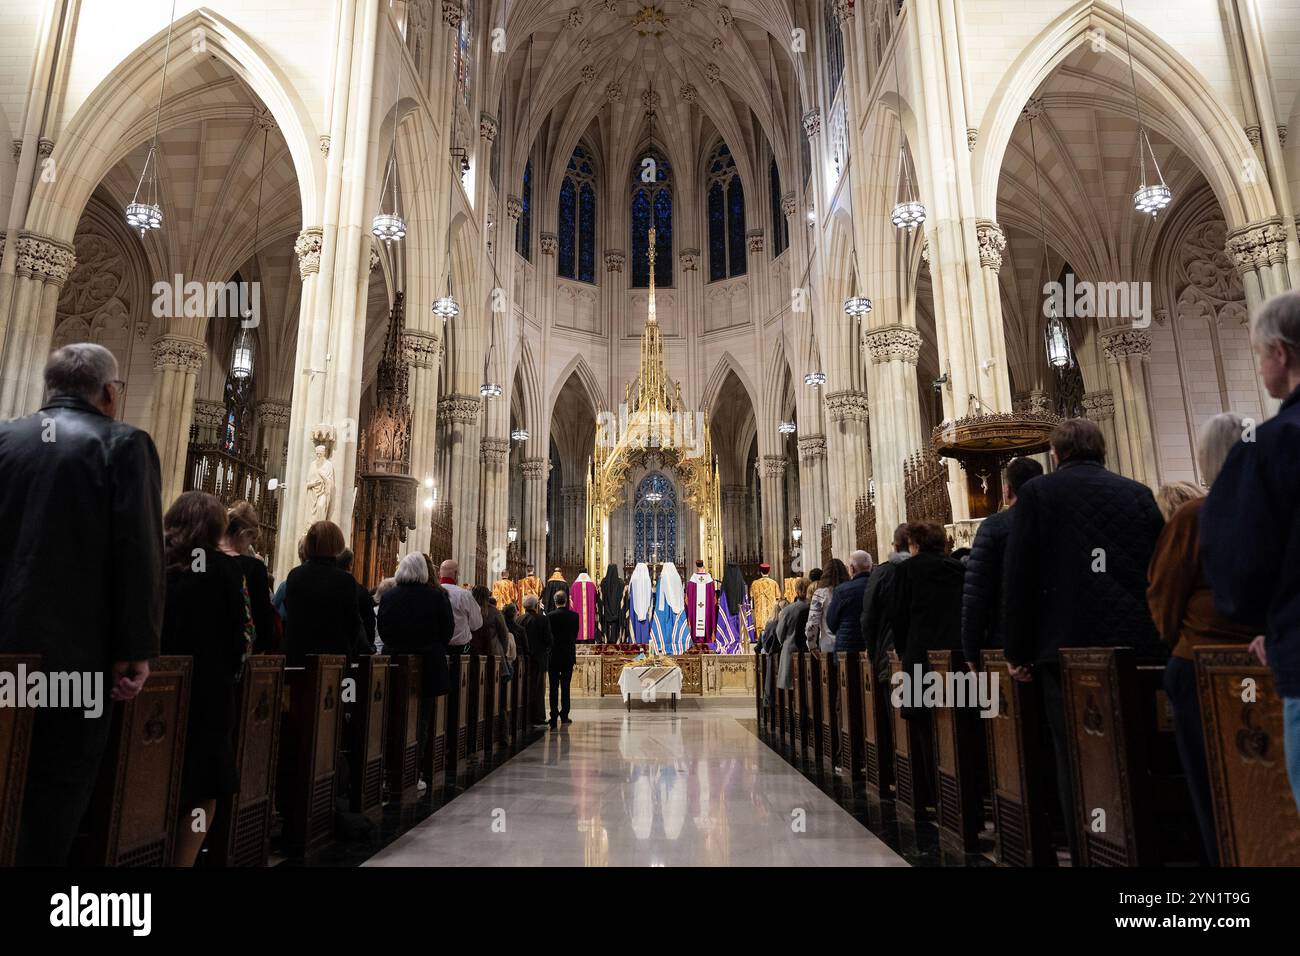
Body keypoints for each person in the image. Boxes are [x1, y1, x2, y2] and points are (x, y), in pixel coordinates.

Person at [0, 343, 161, 865]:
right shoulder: (125, 444)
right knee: (55, 796)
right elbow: (137, 551)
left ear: (50, 388)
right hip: (75, 660)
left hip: (3, 651)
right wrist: (136, 648)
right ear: (111, 394)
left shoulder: (5, 439)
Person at [1002, 417, 1165, 864]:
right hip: (1134, 645)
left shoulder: (1037, 494)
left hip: (1065, 647)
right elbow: (1159, 573)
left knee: (1073, 750)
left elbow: (1019, 577)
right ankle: (1142, 845)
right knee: (1135, 747)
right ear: (1102, 449)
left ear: (1057, 455)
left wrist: (1017, 651)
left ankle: (1087, 845)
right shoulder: (1138, 493)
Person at [1202, 289, 1300, 814]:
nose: (1261, 366)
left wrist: (1266, 622)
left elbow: (1236, 568)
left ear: (1280, 354)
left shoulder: (1271, 445)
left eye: (1260, 353)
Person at [1147, 413, 1254, 864]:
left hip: (1203, 661)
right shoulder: (1277, 504)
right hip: (1272, 659)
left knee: (1214, 784)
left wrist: (1178, 641)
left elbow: (1164, 593)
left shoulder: (1194, 516)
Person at [159, 491, 249, 866]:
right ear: (217, 528)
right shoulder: (227, 571)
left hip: (151, 689)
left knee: (148, 772)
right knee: (204, 787)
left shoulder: (152, 563)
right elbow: (242, 637)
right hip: (209, 692)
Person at [891, 520, 966, 811]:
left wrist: (903, 649)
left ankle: (929, 794)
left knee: (922, 726)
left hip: (918, 656)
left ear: (915, 544)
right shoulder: (957, 568)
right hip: (955, 655)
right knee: (958, 723)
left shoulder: (907, 570)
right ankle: (960, 798)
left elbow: (898, 615)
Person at [960, 457, 1044, 668]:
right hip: (1055, 638)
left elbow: (976, 594)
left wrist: (970, 650)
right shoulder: (1056, 519)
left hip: (1007, 640)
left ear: (1007, 490)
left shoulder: (994, 527)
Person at [378, 553, 455, 772]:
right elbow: (447, 630)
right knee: (421, 717)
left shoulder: (389, 595)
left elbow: (383, 630)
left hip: (394, 662)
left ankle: (390, 768)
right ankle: (414, 768)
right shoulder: (436, 596)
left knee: (393, 714)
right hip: (428, 664)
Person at [283, 521, 368, 663]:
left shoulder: (295, 575)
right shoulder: (345, 581)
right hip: (333, 658)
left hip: (298, 654)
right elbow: (353, 623)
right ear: (337, 544)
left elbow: (290, 612)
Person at [220, 500, 277, 653]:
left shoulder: (204, 559)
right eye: (252, 539)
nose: (251, 545)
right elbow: (263, 620)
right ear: (244, 534)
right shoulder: (253, 568)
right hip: (236, 653)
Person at [861, 524, 910, 684]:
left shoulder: (882, 573)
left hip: (891, 651)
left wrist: (872, 649)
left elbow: (869, 616)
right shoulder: (933, 569)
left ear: (895, 546)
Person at [826, 549, 873, 654]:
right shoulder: (879, 586)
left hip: (848, 648)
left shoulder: (842, 590)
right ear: (871, 566)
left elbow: (831, 622)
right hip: (873, 646)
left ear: (852, 568)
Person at [546, 590, 580, 728]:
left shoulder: (549, 616)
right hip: (568, 654)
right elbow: (575, 634)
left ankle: (553, 715)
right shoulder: (574, 616)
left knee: (553, 687)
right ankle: (564, 715)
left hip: (553, 655)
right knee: (566, 687)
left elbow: (548, 636)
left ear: (555, 601)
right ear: (566, 601)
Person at [438, 559, 482, 657]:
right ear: (456, 573)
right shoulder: (464, 594)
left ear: (439, 573)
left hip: (437, 650)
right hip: (460, 650)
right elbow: (476, 624)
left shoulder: (431, 592)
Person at [775, 578, 812, 691]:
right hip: (809, 650)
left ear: (796, 590)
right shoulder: (812, 608)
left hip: (790, 649)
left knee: (791, 687)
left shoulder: (788, 610)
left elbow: (780, 633)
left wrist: (785, 641)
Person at [337, 548, 377, 651]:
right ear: (350, 565)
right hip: (354, 649)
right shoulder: (361, 591)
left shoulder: (328, 585)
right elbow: (369, 624)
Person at [805, 559, 848, 653]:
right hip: (850, 641)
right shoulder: (849, 590)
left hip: (829, 644)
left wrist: (812, 646)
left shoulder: (820, 593)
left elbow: (812, 622)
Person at [521, 595, 552, 725]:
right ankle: (537, 717)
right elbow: (549, 640)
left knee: (522, 687)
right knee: (538, 690)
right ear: (536, 606)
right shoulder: (542, 619)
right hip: (539, 659)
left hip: (523, 660)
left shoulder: (519, 619)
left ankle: (523, 716)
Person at [652, 561, 689, 654]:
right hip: (677, 606)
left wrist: (658, 608)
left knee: (664, 627)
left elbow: (659, 593)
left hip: (664, 607)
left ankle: (662, 645)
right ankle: (680, 645)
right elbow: (680, 592)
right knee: (676, 626)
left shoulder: (662, 577)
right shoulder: (677, 577)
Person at [599, 564, 624, 643]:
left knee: (606, 626)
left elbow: (600, 598)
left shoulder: (603, 582)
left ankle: (606, 640)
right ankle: (616, 640)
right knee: (616, 627)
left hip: (606, 612)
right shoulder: (621, 583)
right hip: (617, 612)